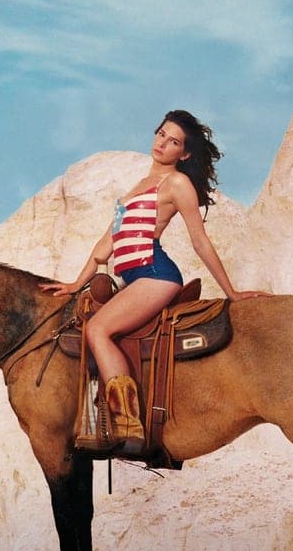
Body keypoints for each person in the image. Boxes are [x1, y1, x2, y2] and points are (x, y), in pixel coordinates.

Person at [40, 110, 270, 451]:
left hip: (156, 275)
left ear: (185, 154)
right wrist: (76, 284)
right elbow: (106, 244)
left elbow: (200, 241)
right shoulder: (136, 188)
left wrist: (231, 292)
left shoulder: (176, 184)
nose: (162, 143)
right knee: (97, 326)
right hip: (135, 279)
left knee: (98, 330)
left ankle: (128, 425)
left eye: (173, 141)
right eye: (161, 134)